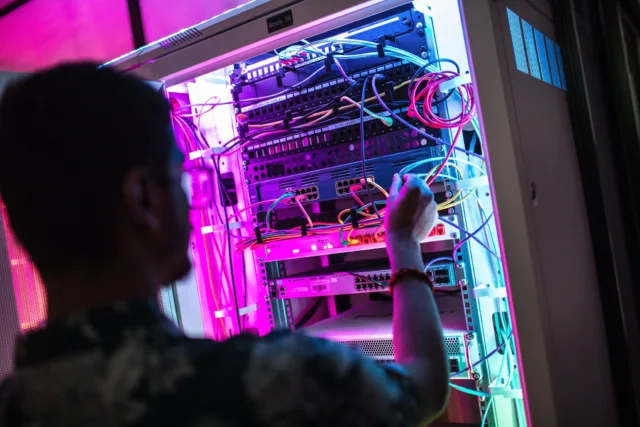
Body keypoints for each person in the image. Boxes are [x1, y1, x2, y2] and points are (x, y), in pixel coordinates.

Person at [0, 63, 448, 427]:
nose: (193, 201)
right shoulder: (267, 380)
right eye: (183, 179)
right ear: (143, 198)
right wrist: (402, 242)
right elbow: (423, 391)